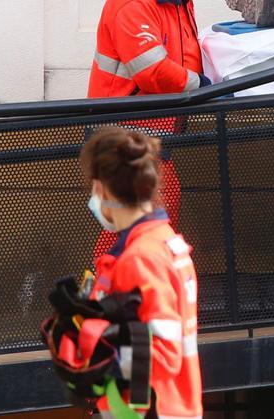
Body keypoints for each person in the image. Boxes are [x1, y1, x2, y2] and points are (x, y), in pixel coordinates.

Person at [87, 0, 208, 257]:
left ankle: (115, 296)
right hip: (126, 130)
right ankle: (102, 300)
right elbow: (152, 71)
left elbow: (180, 52)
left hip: (151, 128)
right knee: (135, 224)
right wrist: (202, 83)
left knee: (145, 219)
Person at [80, 126, 202, 418]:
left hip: (142, 410)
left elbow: (161, 353)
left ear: (101, 188)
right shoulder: (163, 242)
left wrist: (92, 349)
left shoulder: (141, 258)